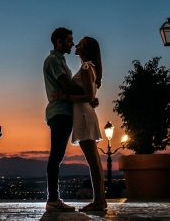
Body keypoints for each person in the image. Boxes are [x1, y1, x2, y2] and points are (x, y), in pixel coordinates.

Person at [43, 27, 97, 212]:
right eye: (69, 40)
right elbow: (66, 85)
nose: (72, 44)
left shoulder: (61, 61)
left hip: (64, 112)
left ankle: (54, 199)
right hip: (59, 112)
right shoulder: (54, 61)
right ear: (59, 42)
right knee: (56, 156)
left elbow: (72, 87)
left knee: (57, 156)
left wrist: (88, 96)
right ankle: (53, 200)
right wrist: (88, 95)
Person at [52, 36, 107, 211]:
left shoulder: (85, 67)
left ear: (86, 49)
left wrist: (65, 97)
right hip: (86, 114)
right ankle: (100, 200)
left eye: (80, 43)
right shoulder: (92, 68)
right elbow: (90, 95)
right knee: (95, 161)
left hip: (83, 116)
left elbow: (88, 97)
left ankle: (98, 201)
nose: (76, 45)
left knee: (93, 161)